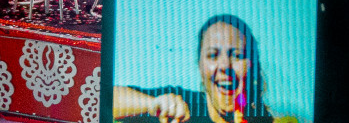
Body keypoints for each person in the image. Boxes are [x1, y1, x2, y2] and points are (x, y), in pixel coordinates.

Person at [114, 14, 298, 123]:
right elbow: (108, 98)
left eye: (237, 55)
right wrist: (152, 105)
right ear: (200, 66)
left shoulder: (265, 118)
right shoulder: (183, 104)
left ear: (252, 66)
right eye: (213, 55)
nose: (225, 65)